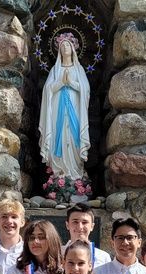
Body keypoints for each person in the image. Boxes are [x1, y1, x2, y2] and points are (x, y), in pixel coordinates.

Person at [39, 33, 90, 181]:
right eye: (62, 46)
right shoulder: (55, 70)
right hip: (57, 109)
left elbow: (86, 90)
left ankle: (75, 174)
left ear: (73, 48)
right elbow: (47, 90)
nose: (65, 48)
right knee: (58, 134)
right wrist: (61, 82)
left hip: (74, 108)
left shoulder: (78, 70)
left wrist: (71, 83)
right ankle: (59, 174)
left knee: (74, 138)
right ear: (59, 50)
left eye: (68, 45)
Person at [63, 202, 111, 268]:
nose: (80, 227)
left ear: (92, 226)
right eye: (75, 222)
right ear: (67, 225)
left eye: (84, 222)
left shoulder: (103, 258)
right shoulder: (57, 254)